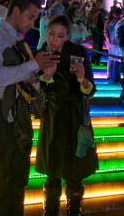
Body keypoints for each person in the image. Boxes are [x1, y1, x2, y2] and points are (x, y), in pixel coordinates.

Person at [0, 0, 59, 216]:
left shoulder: (16, 40)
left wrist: (37, 75)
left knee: (19, 174)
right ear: (16, 11)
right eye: (30, 17)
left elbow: (18, 77)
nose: (33, 23)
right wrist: (32, 65)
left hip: (18, 110)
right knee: (0, 175)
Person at [36, 15, 98, 216]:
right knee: (52, 172)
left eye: (60, 36)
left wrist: (83, 80)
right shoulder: (42, 54)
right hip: (53, 117)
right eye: (51, 34)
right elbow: (37, 90)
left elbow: (90, 89)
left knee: (74, 172)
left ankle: (74, 210)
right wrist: (48, 77)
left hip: (75, 118)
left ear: (68, 36)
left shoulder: (78, 53)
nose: (54, 39)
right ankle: (50, 211)